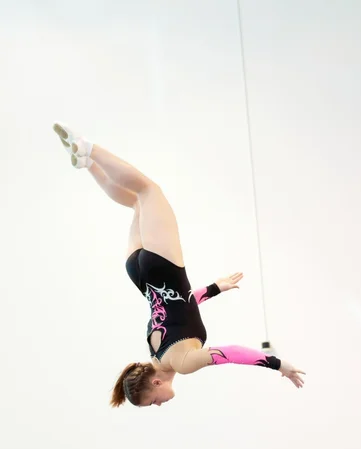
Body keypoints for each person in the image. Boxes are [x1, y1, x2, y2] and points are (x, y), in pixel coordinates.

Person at [53, 123, 305, 408]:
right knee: (137, 202)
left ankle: (88, 148)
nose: (159, 404)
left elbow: (231, 352)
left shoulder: (184, 363)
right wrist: (214, 289)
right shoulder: (155, 352)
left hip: (163, 268)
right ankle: (88, 165)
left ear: (156, 383)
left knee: (148, 190)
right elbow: (180, 307)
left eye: (152, 401)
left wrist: (278, 364)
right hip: (138, 272)